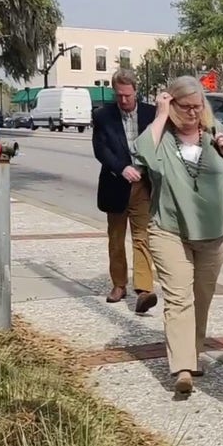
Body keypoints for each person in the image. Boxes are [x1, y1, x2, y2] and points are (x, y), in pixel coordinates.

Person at [132, 76, 223, 394]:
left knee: (202, 299)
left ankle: (193, 354)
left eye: (198, 106)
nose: (194, 112)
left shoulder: (214, 134)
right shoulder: (162, 139)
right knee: (179, 299)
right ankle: (182, 368)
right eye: (186, 106)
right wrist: (160, 114)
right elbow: (141, 152)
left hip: (213, 232)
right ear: (173, 104)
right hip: (169, 229)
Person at [92, 69, 158, 313]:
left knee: (142, 236)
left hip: (143, 185)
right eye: (119, 95)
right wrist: (121, 168)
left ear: (136, 92)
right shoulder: (103, 116)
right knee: (116, 238)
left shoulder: (151, 114)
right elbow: (101, 149)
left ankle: (144, 289)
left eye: (127, 95)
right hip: (116, 184)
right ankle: (119, 285)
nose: (123, 100)